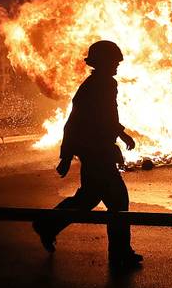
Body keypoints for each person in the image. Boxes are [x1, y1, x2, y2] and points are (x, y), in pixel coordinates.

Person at [33, 40, 143, 270]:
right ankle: (120, 254)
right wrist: (66, 155)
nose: (117, 66)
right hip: (97, 154)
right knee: (118, 202)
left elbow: (101, 119)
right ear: (102, 63)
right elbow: (78, 122)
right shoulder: (99, 85)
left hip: (97, 152)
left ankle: (47, 225)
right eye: (114, 62)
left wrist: (121, 136)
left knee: (88, 199)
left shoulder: (100, 83)